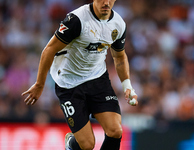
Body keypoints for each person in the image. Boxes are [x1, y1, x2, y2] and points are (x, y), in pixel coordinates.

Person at [22, 0, 138, 149]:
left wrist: (127, 86)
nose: (107, 2)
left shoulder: (118, 24)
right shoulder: (77, 20)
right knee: (88, 145)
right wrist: (39, 84)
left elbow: (119, 56)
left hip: (97, 79)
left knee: (115, 131)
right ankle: (71, 143)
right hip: (69, 83)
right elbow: (49, 50)